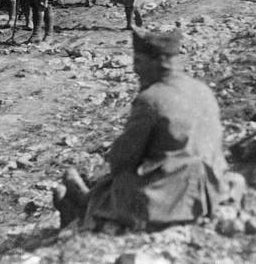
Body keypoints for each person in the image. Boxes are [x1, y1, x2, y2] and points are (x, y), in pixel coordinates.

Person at [52, 29, 245, 231]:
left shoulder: (152, 99)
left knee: (118, 182)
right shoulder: (201, 89)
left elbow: (122, 159)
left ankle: (85, 207)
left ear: (156, 62)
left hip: (170, 201)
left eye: (138, 60)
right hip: (211, 190)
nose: (135, 68)